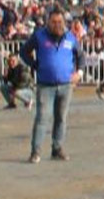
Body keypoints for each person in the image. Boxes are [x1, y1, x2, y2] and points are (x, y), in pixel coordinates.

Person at [20, 9, 82, 163]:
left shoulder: (70, 38)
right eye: (53, 22)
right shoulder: (39, 36)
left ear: (64, 22)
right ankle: (35, 152)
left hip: (66, 85)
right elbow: (24, 51)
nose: (57, 25)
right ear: (48, 22)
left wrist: (79, 73)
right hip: (45, 85)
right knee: (42, 118)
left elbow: (80, 56)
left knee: (61, 118)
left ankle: (57, 148)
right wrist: (34, 65)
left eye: (60, 22)